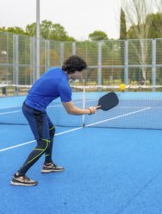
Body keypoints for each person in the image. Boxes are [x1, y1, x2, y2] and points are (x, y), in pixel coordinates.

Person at [11, 55, 98, 186]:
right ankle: (19, 175)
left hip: (34, 107)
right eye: (80, 72)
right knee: (43, 144)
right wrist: (89, 111)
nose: (81, 75)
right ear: (75, 71)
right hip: (34, 111)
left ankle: (48, 164)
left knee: (51, 130)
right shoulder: (63, 85)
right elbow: (71, 110)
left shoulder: (54, 70)